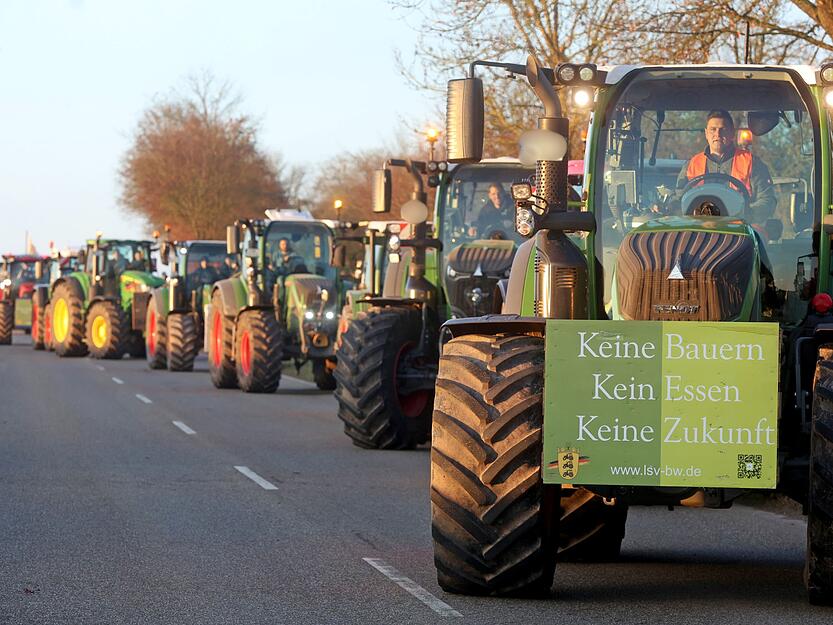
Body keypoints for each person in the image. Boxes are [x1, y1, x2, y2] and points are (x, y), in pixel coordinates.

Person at [676, 109, 776, 222]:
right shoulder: (691, 165)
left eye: (723, 129)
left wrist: (746, 214)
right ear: (706, 133)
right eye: (713, 129)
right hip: (699, 230)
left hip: (741, 231)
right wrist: (665, 206)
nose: (717, 134)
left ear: (732, 133)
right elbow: (679, 200)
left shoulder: (752, 163)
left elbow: (767, 200)